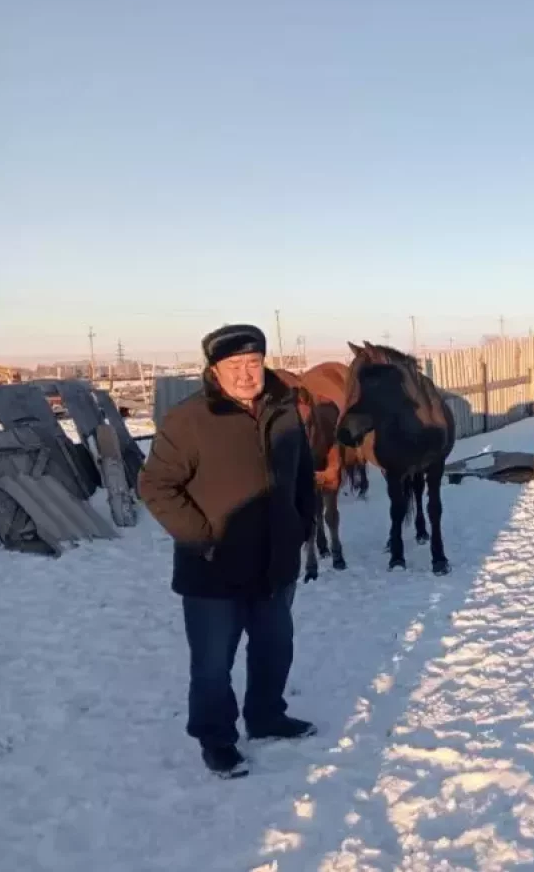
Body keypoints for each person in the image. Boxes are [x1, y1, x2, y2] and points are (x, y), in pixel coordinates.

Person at [139, 323, 317, 778]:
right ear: (214, 370)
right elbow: (156, 487)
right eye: (233, 365)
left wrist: (301, 525)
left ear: (264, 363)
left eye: (252, 363)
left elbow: (301, 476)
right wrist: (203, 539)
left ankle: (266, 717)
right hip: (212, 572)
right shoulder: (189, 420)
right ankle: (216, 739)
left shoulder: (284, 411)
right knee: (213, 664)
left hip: (275, 564)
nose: (244, 374)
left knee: (274, 649)